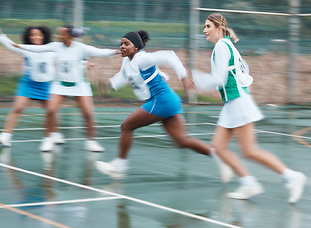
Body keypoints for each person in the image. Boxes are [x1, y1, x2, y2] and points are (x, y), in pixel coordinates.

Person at [193, 13, 307, 203]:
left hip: (238, 102)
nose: (204, 30)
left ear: (219, 28)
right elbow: (245, 72)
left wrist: (195, 78)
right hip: (235, 101)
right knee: (220, 148)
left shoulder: (222, 46)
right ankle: (249, 183)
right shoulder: (229, 45)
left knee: (249, 150)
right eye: (204, 27)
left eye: (208, 26)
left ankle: (292, 177)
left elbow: (219, 79)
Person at [94, 30, 232, 181]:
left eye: (126, 44)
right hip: (167, 100)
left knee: (126, 126)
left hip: (161, 99)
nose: (122, 46)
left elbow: (169, 55)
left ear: (136, 48)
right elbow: (121, 78)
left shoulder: (142, 58)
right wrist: (107, 86)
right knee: (182, 141)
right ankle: (220, 157)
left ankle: (118, 167)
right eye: (121, 44)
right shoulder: (127, 62)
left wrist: (184, 77)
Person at [14, 25, 120, 152]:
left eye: (61, 34)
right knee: (51, 111)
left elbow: (100, 52)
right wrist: (20, 46)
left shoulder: (81, 48)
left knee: (88, 114)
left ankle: (91, 142)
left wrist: (116, 51)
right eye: (58, 34)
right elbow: (39, 49)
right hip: (59, 85)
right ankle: (48, 139)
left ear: (69, 36)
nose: (58, 36)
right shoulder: (55, 46)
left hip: (79, 85)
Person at [0, 23, 64, 148]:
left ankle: (55, 133)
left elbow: (69, 55)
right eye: (32, 35)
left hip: (46, 85)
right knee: (18, 108)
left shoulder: (52, 48)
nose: (36, 37)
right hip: (28, 83)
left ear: (44, 36)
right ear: (29, 37)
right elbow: (10, 45)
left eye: (39, 34)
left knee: (52, 112)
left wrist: (84, 63)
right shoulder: (26, 48)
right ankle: (5, 135)